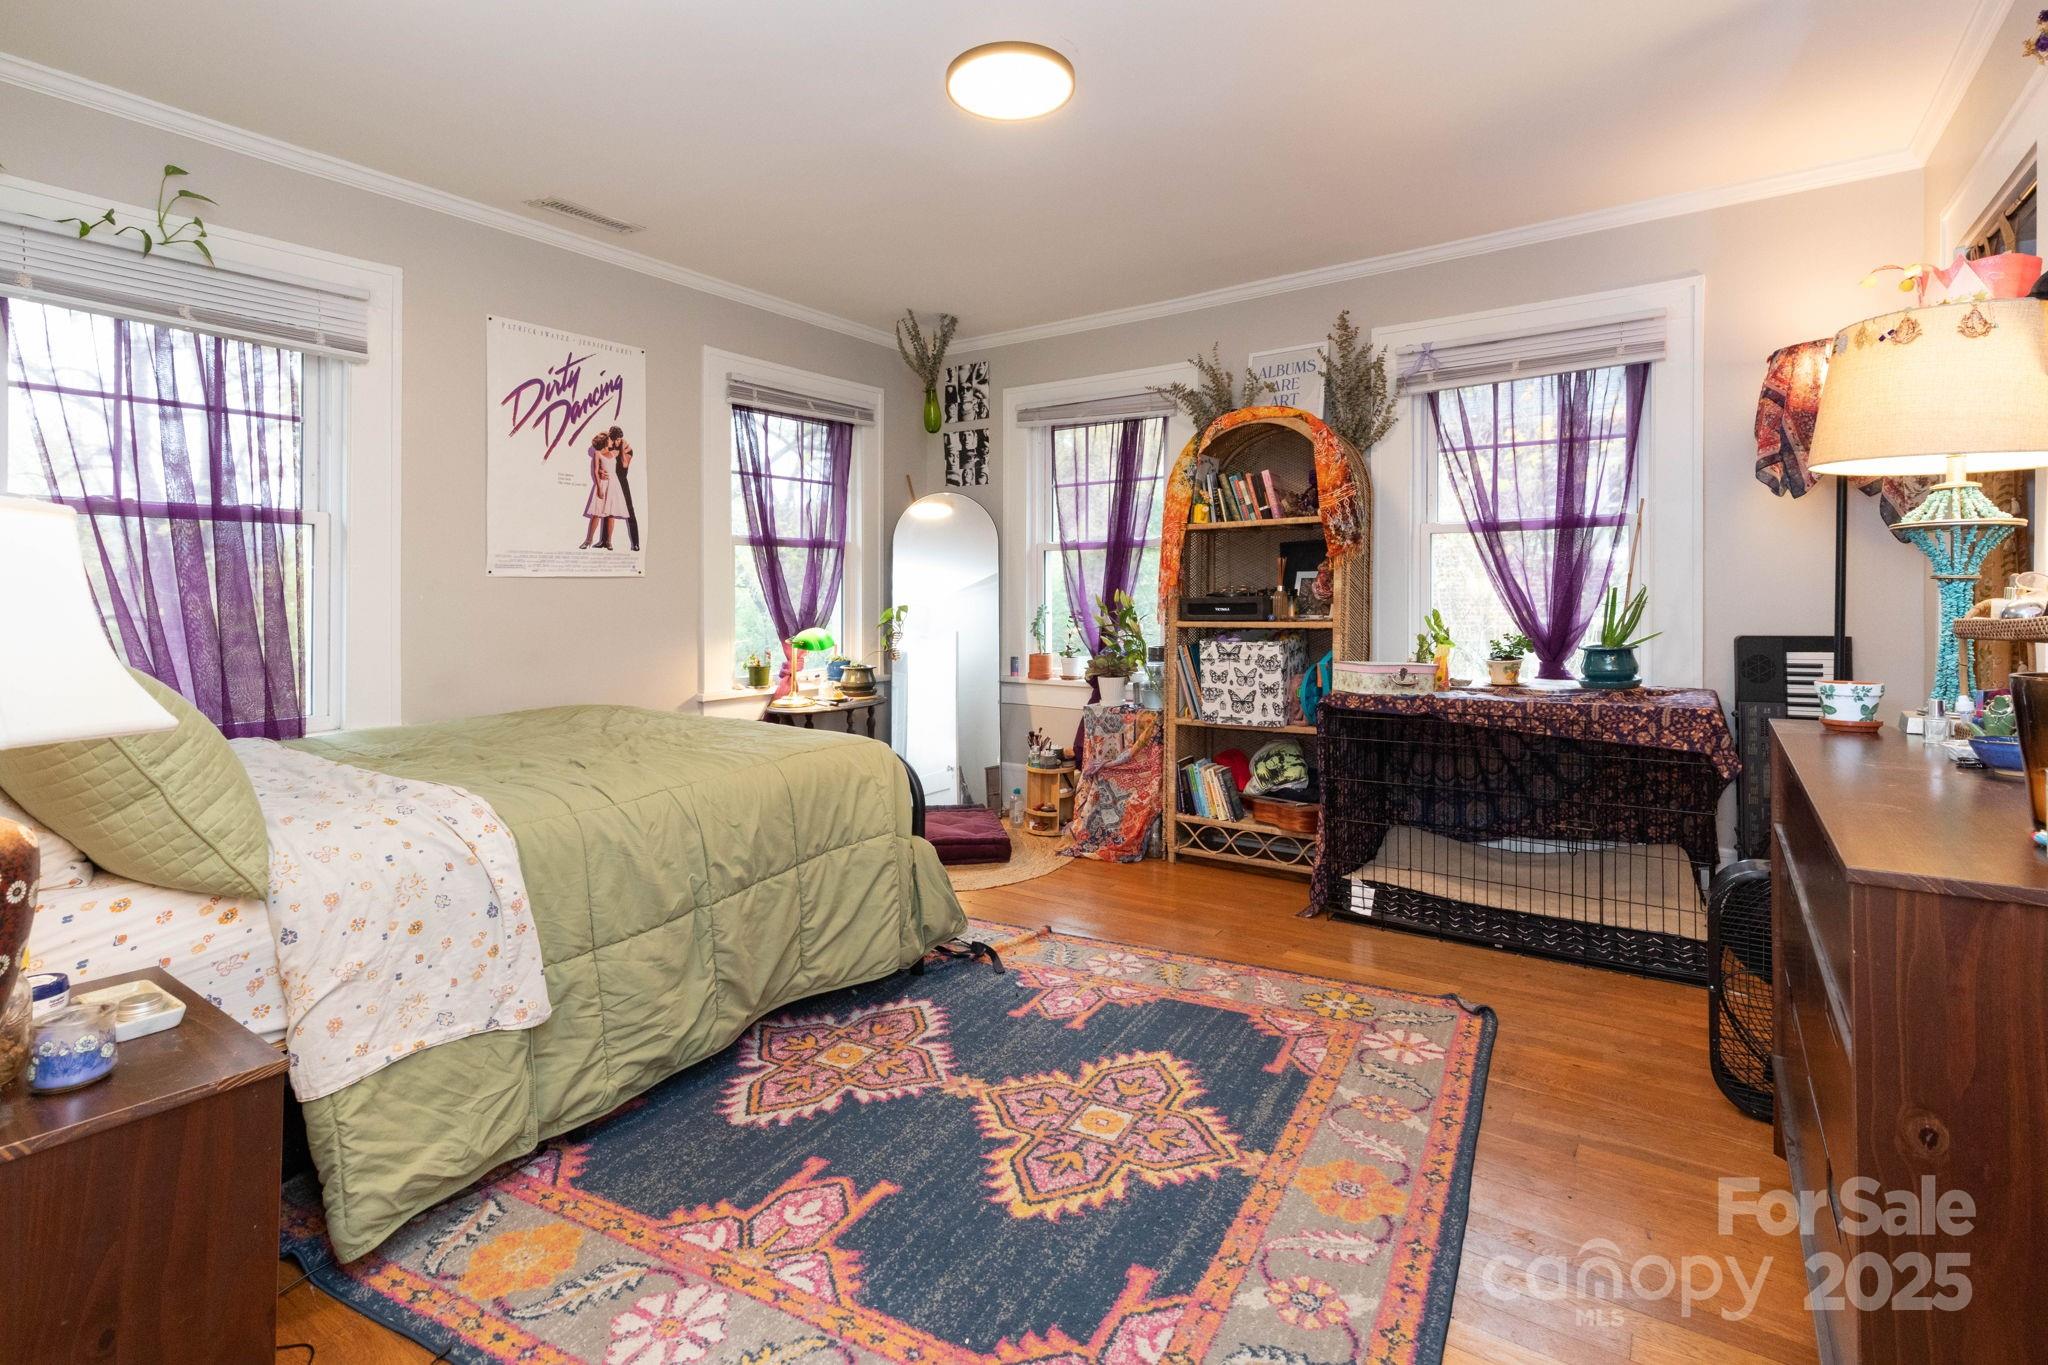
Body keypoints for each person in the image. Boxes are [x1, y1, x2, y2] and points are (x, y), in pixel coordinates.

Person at [579, 432, 630, 549]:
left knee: (611, 514)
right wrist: (599, 487)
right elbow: (595, 471)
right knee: (596, 514)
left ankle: (609, 541)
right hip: (602, 484)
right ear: (605, 441)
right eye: (610, 439)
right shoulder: (597, 453)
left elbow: (625, 462)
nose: (612, 441)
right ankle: (588, 540)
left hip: (614, 485)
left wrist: (622, 446)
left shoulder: (615, 452)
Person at [600, 424, 640, 551]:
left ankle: (636, 543)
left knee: (630, 511)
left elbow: (624, 465)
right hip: (611, 480)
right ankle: (604, 541)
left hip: (622, 481)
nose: (616, 442)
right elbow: (601, 461)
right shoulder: (608, 447)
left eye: (618, 439)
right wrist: (601, 472)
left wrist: (622, 448)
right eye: (614, 439)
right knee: (607, 509)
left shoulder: (627, 449)